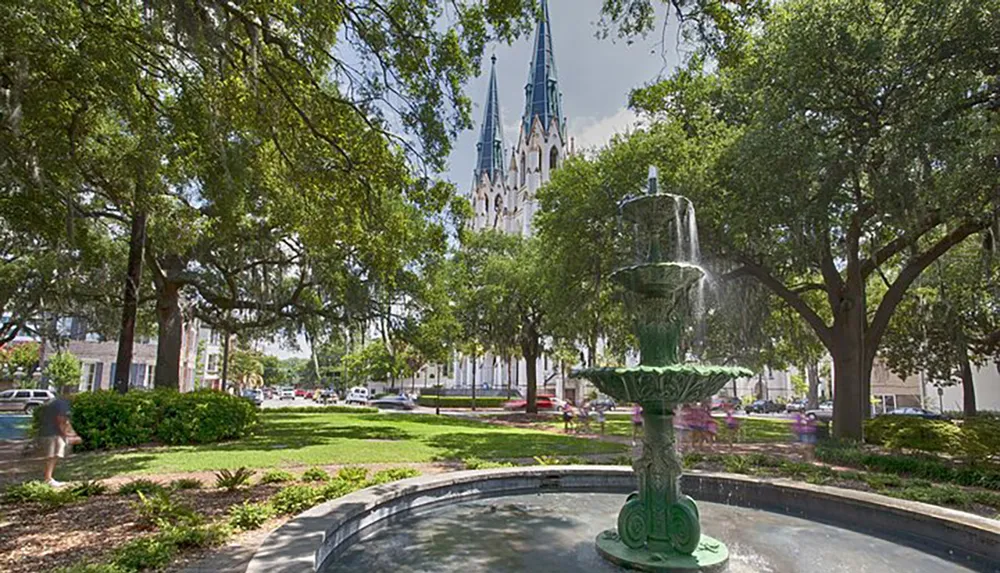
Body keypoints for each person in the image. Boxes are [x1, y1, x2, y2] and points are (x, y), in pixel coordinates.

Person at [38, 396, 79, 487]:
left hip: (46, 432)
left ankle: (48, 477)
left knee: (52, 457)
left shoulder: (54, 402)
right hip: (53, 434)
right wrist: (68, 434)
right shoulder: (63, 404)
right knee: (52, 457)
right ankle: (48, 479)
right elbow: (62, 420)